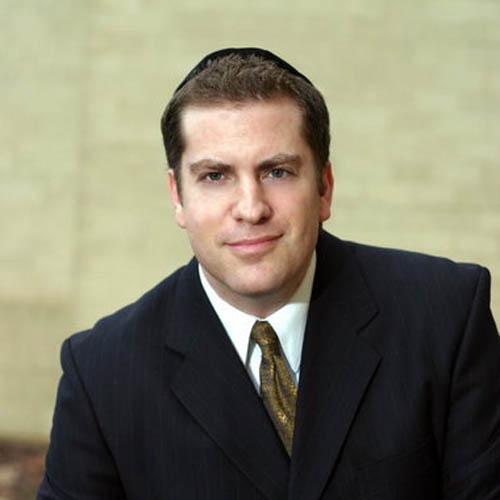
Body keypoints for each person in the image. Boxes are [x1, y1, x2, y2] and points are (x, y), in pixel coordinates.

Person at [38, 48, 500, 499]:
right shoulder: (101, 372)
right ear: (178, 196)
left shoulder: (446, 317)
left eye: (277, 172)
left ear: (324, 188)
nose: (251, 208)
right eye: (215, 176)